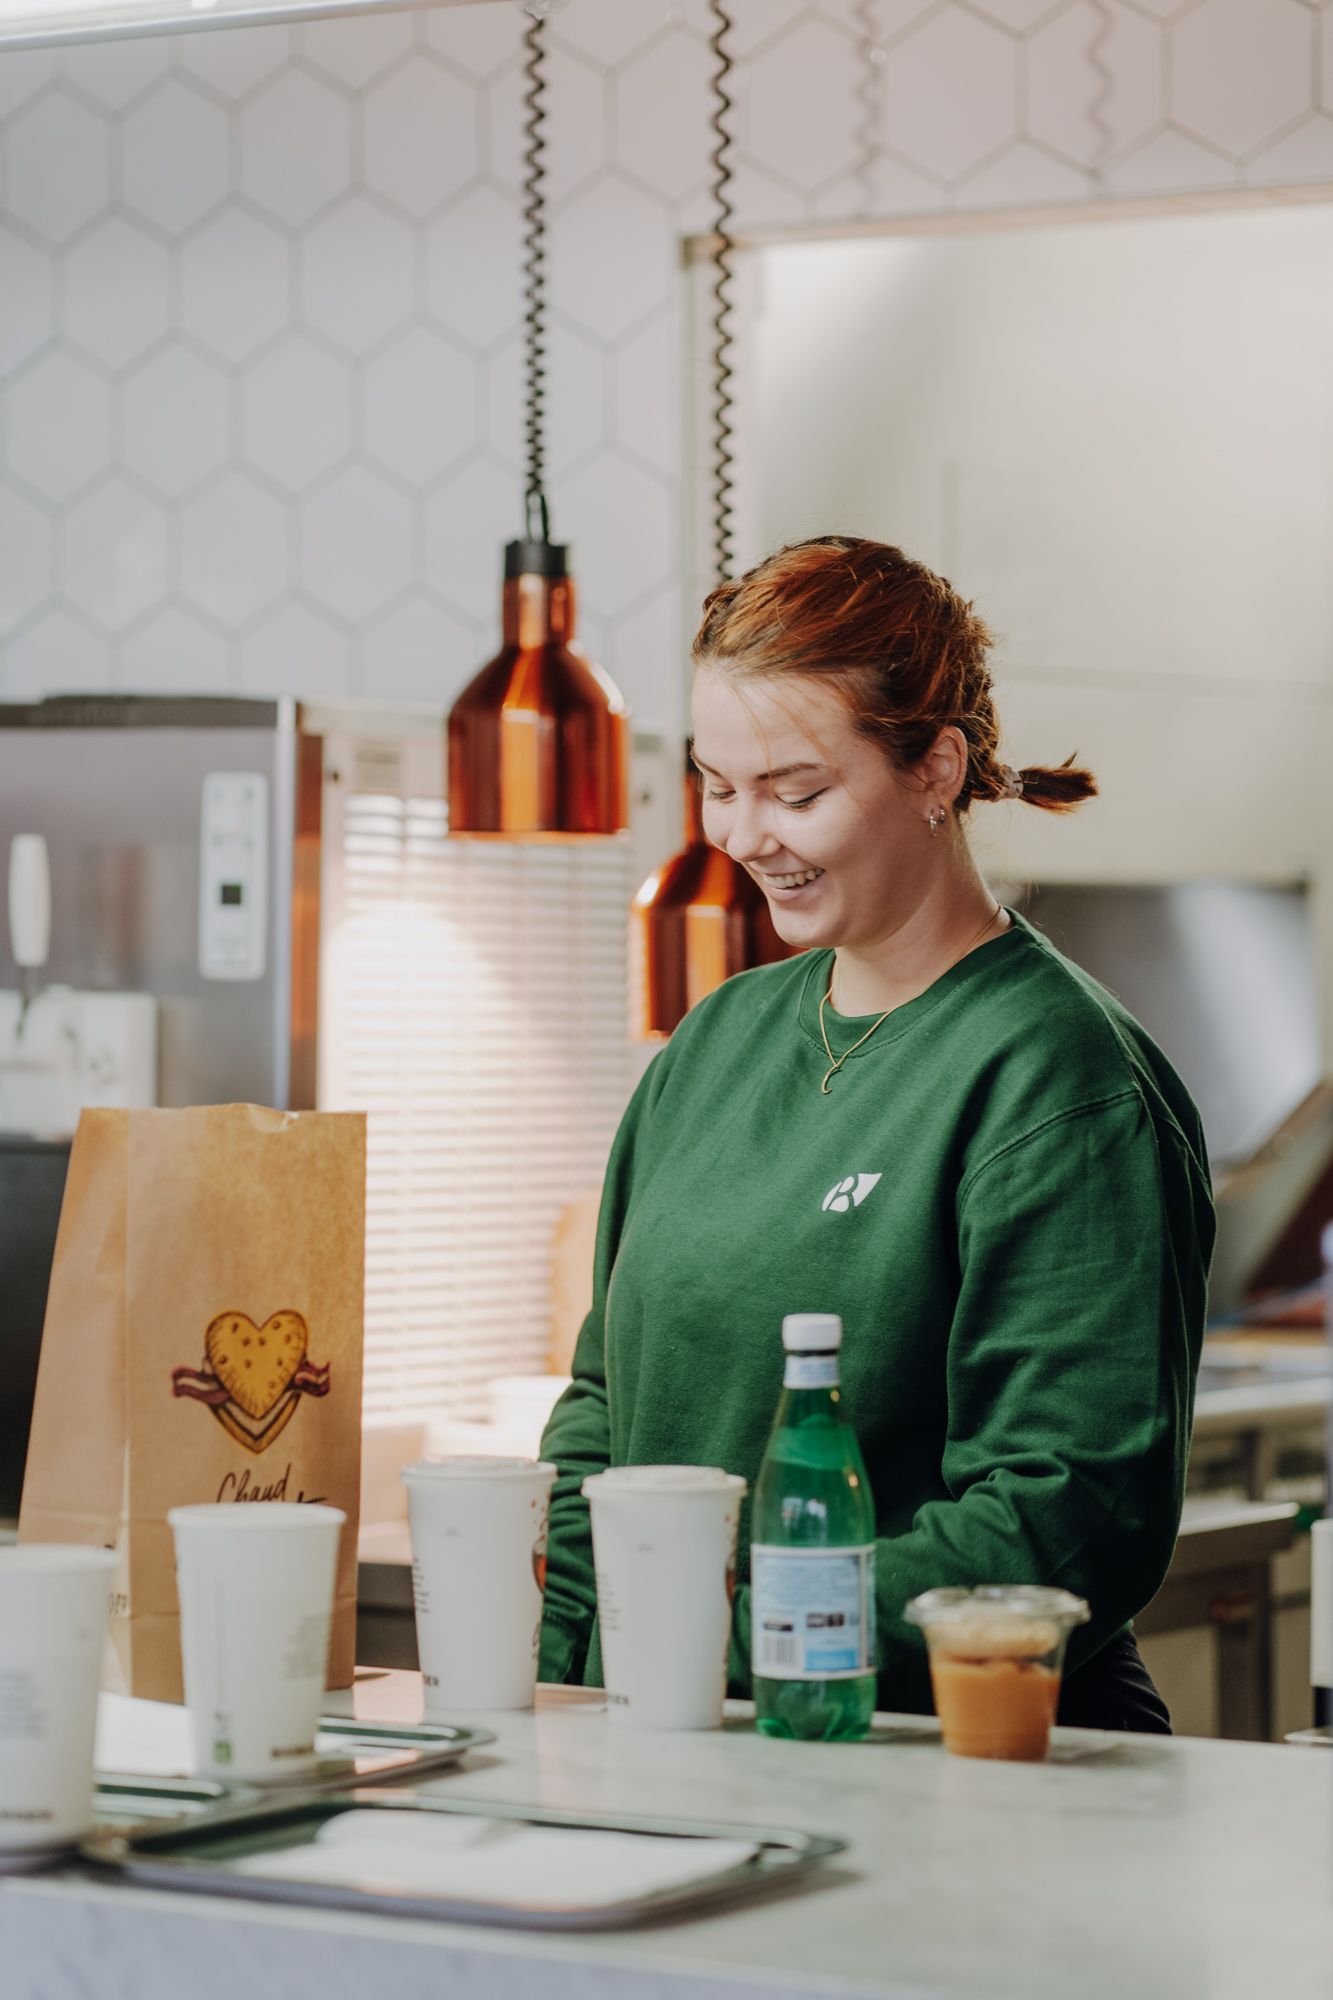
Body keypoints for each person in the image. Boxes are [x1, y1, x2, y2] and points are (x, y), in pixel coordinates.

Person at [538, 535, 1214, 1732]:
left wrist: (722, 1642)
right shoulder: (714, 1044)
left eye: (797, 792)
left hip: (957, 1759)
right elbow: (606, 1404)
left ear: (935, 769)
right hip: (684, 1736)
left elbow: (1064, 1509)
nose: (744, 835)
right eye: (716, 783)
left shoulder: (1056, 1080)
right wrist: (565, 1683)